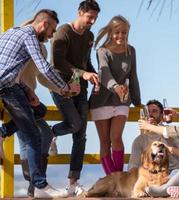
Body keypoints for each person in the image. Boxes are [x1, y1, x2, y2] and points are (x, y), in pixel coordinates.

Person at [0, 9, 80, 198]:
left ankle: (3, 132)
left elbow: (9, 67)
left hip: (10, 84)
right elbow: (44, 68)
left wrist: (28, 91)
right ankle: (39, 186)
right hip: (6, 87)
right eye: (52, 30)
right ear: (44, 25)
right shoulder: (30, 36)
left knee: (40, 110)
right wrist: (65, 87)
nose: (52, 35)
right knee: (33, 136)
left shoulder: (12, 32)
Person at [49, 0, 100, 196]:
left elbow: (85, 62)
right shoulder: (63, 32)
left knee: (81, 135)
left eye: (95, 18)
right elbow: (58, 62)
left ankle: (72, 183)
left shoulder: (89, 36)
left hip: (82, 88)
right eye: (89, 17)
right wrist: (82, 73)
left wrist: (94, 76)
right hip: (60, 85)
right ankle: (51, 131)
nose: (92, 21)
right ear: (80, 12)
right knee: (75, 124)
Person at [89, 15, 141, 175]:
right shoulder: (102, 51)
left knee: (116, 138)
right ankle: (112, 181)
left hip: (122, 101)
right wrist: (116, 87)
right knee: (105, 142)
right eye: (117, 32)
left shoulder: (131, 51)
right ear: (110, 32)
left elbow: (133, 77)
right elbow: (104, 74)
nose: (121, 36)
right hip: (101, 100)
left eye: (124, 32)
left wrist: (138, 103)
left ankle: (119, 179)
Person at [128, 99, 179, 172]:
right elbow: (133, 165)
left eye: (154, 111)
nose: (150, 114)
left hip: (173, 173)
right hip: (152, 176)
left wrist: (155, 127)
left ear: (161, 114)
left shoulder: (170, 131)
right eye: (148, 112)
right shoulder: (139, 140)